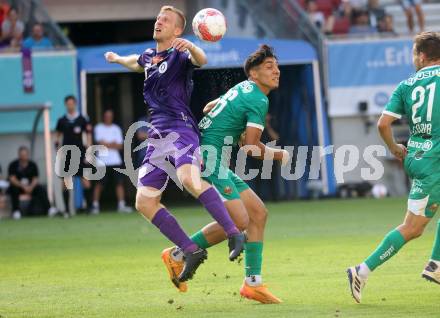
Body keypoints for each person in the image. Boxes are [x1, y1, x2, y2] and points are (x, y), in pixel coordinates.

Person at [104, 5, 245, 282]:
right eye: (158, 18)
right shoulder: (149, 56)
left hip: (180, 127)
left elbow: (202, 60)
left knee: (188, 177)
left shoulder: (180, 54)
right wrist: (118, 58)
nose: (159, 22)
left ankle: (234, 233)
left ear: (177, 30)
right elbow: (137, 62)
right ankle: (191, 250)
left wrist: (191, 47)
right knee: (144, 201)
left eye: (165, 20)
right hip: (157, 136)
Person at [162, 45, 290, 303]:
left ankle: (253, 284)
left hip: (213, 156)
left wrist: (235, 129)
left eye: (276, 66)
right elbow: (252, 148)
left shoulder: (244, 88)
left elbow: (209, 107)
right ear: (254, 73)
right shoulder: (257, 98)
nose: (276, 71)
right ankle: (176, 255)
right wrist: (281, 155)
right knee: (239, 222)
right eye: (269, 67)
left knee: (258, 214)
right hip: (209, 158)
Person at [347, 32, 440, 303]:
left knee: (415, 226)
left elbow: (383, 124)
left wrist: (395, 149)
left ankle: (435, 264)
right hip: (434, 160)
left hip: (419, 157)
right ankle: (361, 270)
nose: (413, 59)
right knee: (412, 228)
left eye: (413, 54)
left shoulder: (406, 85)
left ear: (422, 56)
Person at [55, 95, 93, 216]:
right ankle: (66, 210)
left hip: (80, 153)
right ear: (66, 105)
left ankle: (89, 208)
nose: (70, 105)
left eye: (72, 103)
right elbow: (57, 135)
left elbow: (88, 135)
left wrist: (89, 150)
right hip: (66, 153)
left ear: (75, 104)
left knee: (85, 180)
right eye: (68, 103)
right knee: (66, 181)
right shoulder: (62, 120)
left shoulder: (82, 119)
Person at [92, 109, 132, 214]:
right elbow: (100, 143)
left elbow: (119, 146)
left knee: (119, 183)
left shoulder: (116, 128)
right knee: (99, 184)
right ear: (103, 117)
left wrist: (107, 144)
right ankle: (95, 206)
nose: (108, 118)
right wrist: (112, 144)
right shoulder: (98, 128)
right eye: (106, 116)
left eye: (110, 116)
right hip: (102, 161)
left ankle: (121, 205)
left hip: (115, 161)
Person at [7, 146, 52, 219]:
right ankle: (16, 211)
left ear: (28, 155)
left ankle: (49, 209)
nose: (23, 157)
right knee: (13, 189)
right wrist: (23, 186)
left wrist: (31, 187)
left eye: (25, 155)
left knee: (41, 189)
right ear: (19, 155)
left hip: (30, 187)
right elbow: (12, 179)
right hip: (19, 187)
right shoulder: (13, 165)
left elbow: (35, 178)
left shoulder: (32, 165)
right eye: (22, 155)